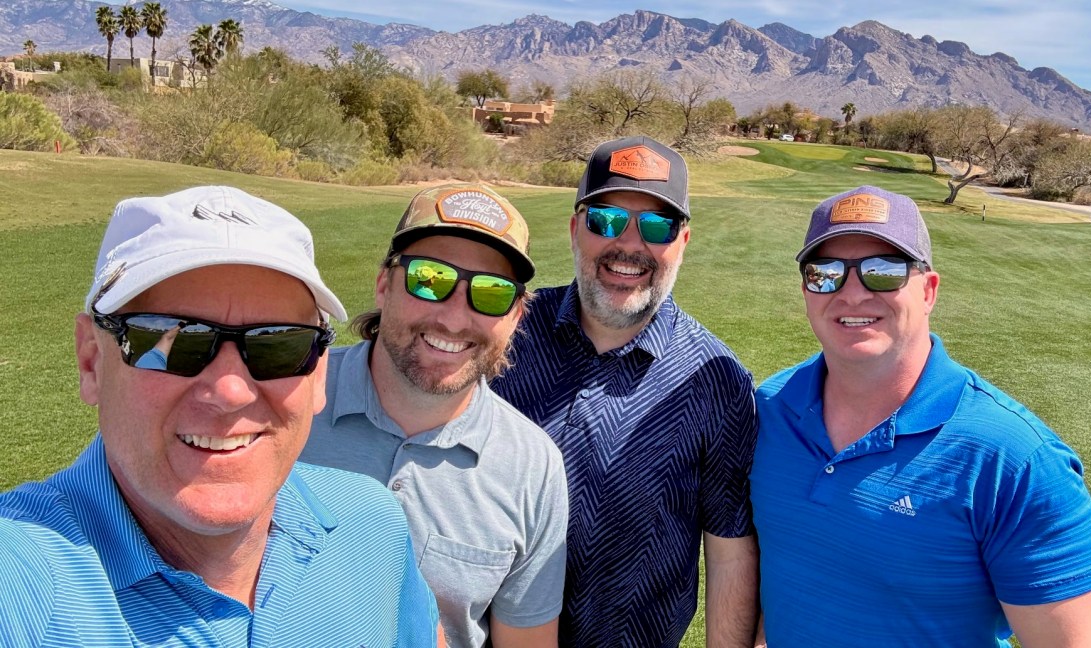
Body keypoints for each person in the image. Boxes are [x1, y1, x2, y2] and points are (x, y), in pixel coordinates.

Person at [0, 186, 442, 647]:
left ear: (317, 376)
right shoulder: (21, 579)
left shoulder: (371, 525)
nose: (230, 391)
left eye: (279, 345)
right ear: (92, 361)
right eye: (171, 341)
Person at [752, 185, 1091, 647]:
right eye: (826, 273)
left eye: (883, 271)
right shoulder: (770, 408)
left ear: (929, 291)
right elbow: (788, 571)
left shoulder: (1019, 462)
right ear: (806, 289)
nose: (852, 293)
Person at [491, 136, 760, 647]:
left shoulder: (718, 381)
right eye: (607, 220)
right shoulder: (507, 330)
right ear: (575, 229)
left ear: (682, 241)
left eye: (656, 226)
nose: (630, 245)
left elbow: (729, 553)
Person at [301, 183, 568, 648]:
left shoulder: (532, 466)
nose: (453, 318)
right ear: (384, 284)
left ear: (517, 316)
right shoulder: (286, 398)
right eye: (430, 279)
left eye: (491, 293)